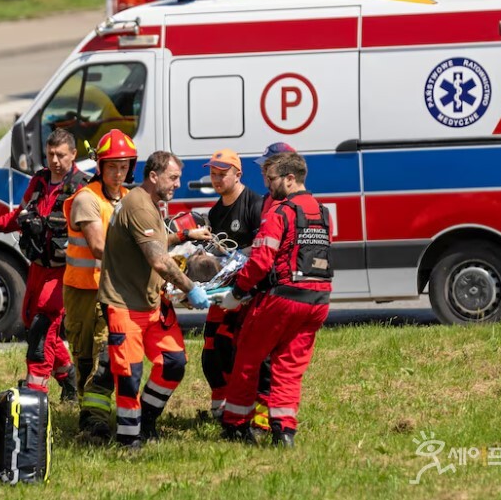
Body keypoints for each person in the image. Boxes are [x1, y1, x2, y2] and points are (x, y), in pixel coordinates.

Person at [97, 151, 212, 448]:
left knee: (173, 363)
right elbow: (159, 261)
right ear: (154, 176)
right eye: (173, 178)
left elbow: (153, 241)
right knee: (129, 377)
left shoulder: (150, 204)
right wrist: (190, 288)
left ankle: (146, 420)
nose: (177, 184)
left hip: (151, 303)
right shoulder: (140, 206)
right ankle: (128, 440)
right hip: (125, 305)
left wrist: (185, 235)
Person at [220, 151, 333, 448]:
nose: (268, 186)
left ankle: (235, 425)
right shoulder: (322, 212)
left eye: (272, 179)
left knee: (247, 357)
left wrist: (238, 293)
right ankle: (284, 431)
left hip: (282, 298)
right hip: (318, 300)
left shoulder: (280, 212)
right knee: (289, 366)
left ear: (290, 179)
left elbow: (259, 262)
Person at [0, 129, 86, 400]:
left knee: (44, 325)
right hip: (37, 266)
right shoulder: (40, 181)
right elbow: (22, 216)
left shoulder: (81, 187)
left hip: (63, 270)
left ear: (73, 155)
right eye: (50, 154)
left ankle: (35, 391)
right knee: (32, 320)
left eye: (61, 155)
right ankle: (68, 377)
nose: (54, 160)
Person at [62, 129, 136, 442]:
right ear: (100, 167)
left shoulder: (133, 199)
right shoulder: (86, 199)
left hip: (116, 290)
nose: (118, 173)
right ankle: (91, 419)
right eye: (112, 167)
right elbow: (99, 247)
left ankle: (95, 419)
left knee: (109, 352)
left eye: (123, 167)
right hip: (83, 290)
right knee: (86, 356)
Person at [199, 149, 265, 420]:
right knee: (211, 352)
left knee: (237, 351)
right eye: (213, 173)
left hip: (248, 294)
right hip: (222, 293)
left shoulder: (254, 204)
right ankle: (219, 406)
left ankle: (249, 411)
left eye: (222, 174)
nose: (216, 179)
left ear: (238, 175)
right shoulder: (215, 212)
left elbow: (263, 252)